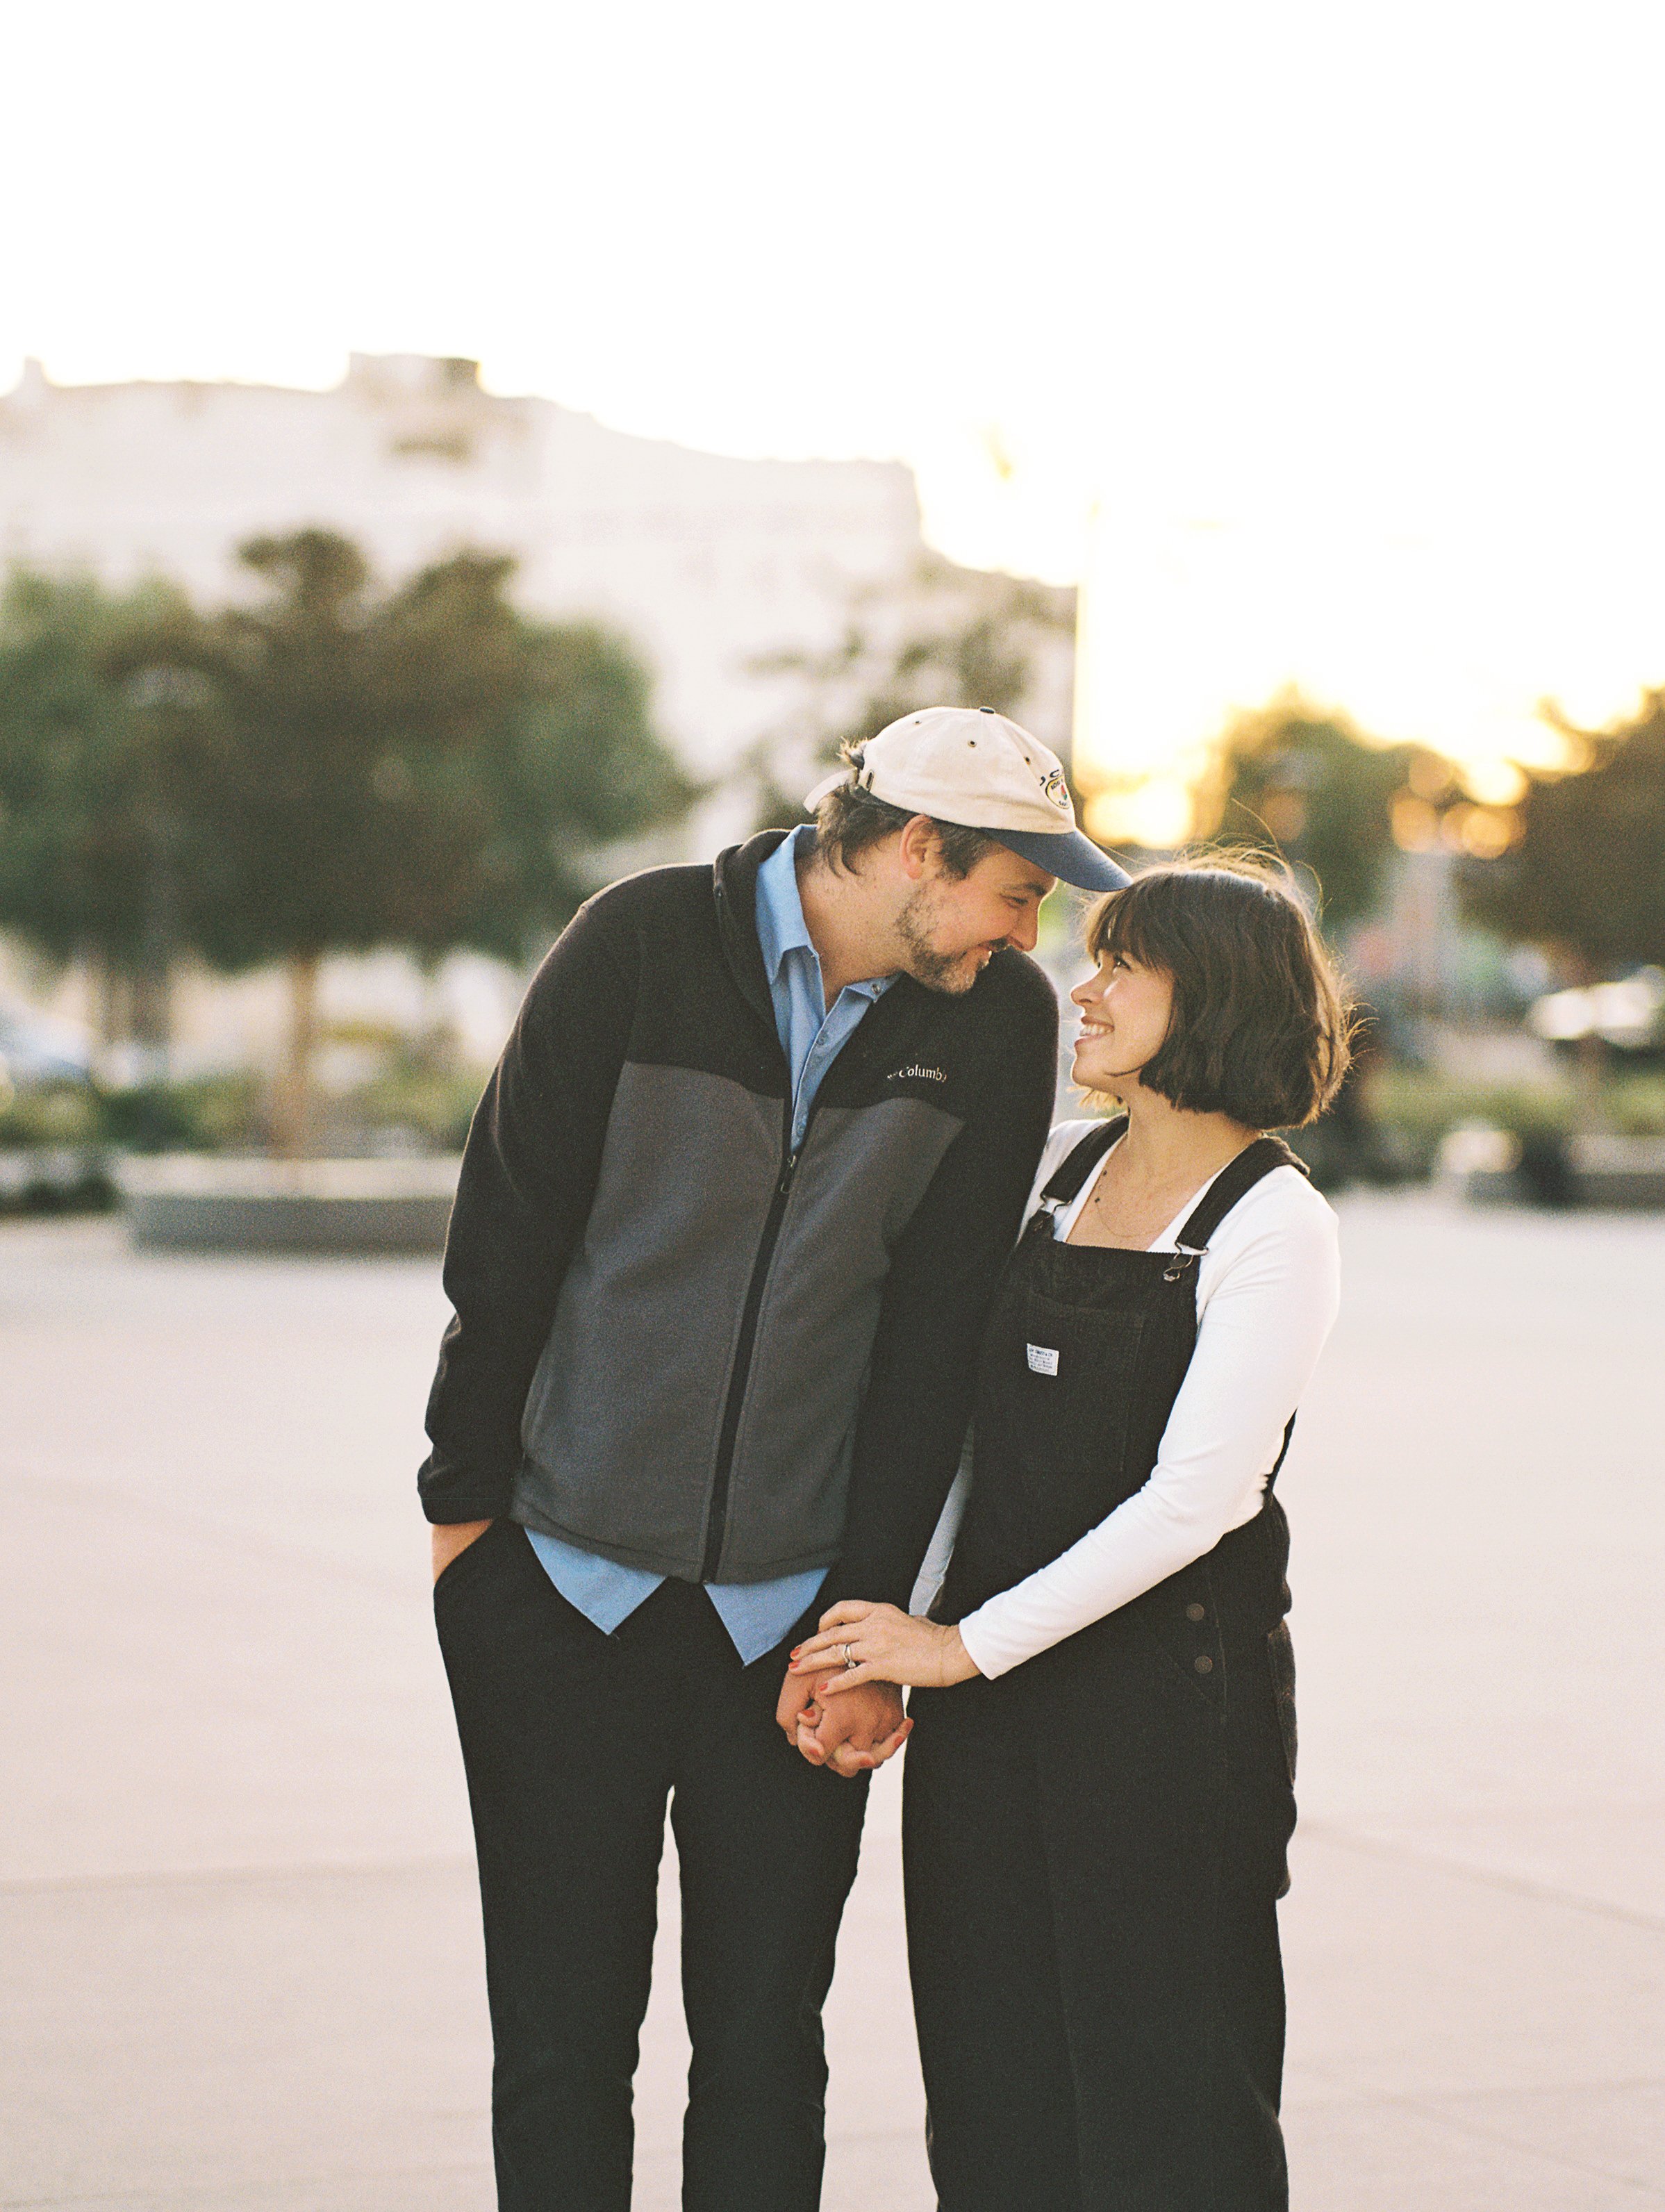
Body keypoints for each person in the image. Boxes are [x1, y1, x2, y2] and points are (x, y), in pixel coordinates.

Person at [419, 705, 1128, 2211]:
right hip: (559, 1590)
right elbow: (505, 1234)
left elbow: (935, 1340)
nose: (1028, 932)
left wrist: (867, 1620)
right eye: (1016, 888)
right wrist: (463, 1531)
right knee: (559, 2039)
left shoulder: (989, 1025)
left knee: (760, 2040)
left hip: (792, 1627)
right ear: (917, 850)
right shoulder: (639, 944)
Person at [788, 855, 1349, 2211]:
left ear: (1208, 997)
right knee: (992, 2088)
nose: (1080, 989)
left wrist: (959, 1645)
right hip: (987, 1708)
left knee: (1167, 2101)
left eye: (1121, 967)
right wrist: (899, 1637)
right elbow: (967, 1438)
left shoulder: (1274, 1223)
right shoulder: (1055, 1170)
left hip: (1165, 1716)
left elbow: (1190, 1501)